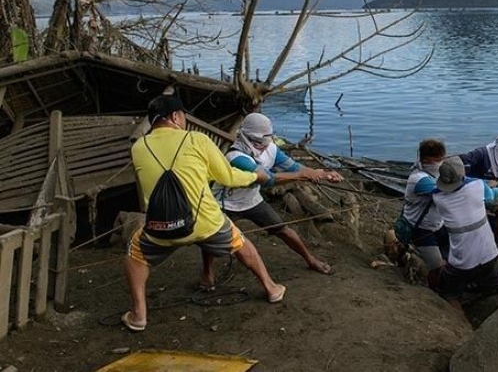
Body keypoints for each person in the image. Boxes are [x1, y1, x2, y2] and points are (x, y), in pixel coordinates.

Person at [124, 95, 285, 332]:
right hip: (205, 224)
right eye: (184, 117)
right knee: (241, 242)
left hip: (160, 227)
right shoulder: (197, 139)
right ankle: (271, 288)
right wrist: (256, 176)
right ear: (176, 117)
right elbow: (228, 177)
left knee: (134, 253)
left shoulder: (138, 148)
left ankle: (139, 314)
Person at [203, 113, 343, 289]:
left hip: (252, 200)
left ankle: (310, 259)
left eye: (265, 141)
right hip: (226, 203)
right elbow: (268, 179)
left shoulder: (271, 149)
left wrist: (322, 174)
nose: (263, 147)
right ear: (246, 137)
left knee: (283, 230)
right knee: (213, 239)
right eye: (258, 142)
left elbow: (294, 167)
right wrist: (301, 175)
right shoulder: (236, 157)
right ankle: (207, 272)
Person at [432, 156, 498, 318]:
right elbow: (490, 196)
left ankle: (461, 322)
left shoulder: (438, 198)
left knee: (449, 292)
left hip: (462, 264)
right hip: (489, 256)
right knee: (496, 278)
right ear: (462, 175)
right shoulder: (477, 186)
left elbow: (464, 190)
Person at [400, 138, 447, 289]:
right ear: (426, 160)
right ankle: (435, 291)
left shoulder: (436, 173)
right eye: (438, 159)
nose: (441, 162)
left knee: (454, 257)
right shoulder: (419, 179)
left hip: (438, 225)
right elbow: (449, 190)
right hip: (420, 229)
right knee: (436, 265)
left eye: (443, 158)